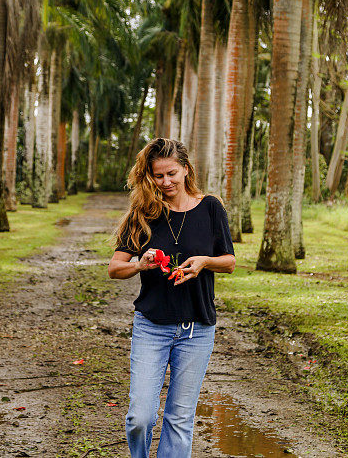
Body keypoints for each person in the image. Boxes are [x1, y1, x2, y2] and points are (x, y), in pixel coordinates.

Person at [108, 138, 235, 458]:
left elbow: (229, 261)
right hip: (151, 325)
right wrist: (140, 264)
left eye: (171, 174)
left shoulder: (210, 207)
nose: (165, 182)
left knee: (179, 419)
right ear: (148, 176)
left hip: (197, 328)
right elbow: (115, 268)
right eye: (157, 176)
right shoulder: (144, 213)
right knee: (141, 417)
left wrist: (204, 262)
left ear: (186, 170)